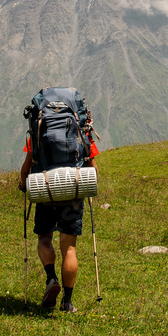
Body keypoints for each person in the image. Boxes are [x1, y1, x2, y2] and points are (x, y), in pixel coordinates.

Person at [18, 130, 99, 313]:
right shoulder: (82, 130)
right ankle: (67, 302)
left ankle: (51, 278)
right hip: (73, 195)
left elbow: (26, 168)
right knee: (69, 248)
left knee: (44, 238)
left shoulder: (39, 130)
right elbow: (93, 168)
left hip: (46, 191)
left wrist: (23, 184)